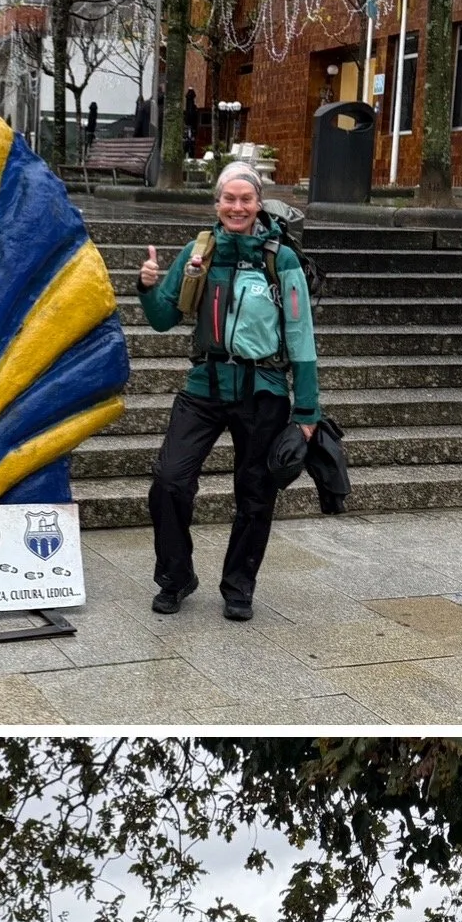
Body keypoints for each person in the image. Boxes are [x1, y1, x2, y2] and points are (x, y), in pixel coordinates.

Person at [137, 160, 319, 619]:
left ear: (259, 203)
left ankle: (239, 585)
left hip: (264, 391)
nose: (237, 207)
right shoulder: (200, 250)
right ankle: (176, 577)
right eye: (228, 199)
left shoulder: (283, 259)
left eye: (246, 199)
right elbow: (162, 320)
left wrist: (307, 412)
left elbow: (300, 335)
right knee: (169, 482)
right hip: (205, 386)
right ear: (217, 203)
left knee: (255, 494)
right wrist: (146, 286)